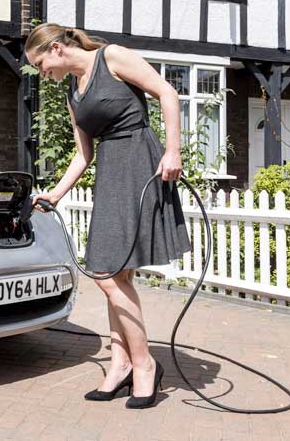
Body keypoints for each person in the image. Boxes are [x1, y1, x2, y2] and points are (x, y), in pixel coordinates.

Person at [25, 23, 191, 409]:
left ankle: (144, 363)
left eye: (41, 64)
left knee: (106, 273)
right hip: (111, 172)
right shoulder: (72, 91)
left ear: (56, 49)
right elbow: (84, 155)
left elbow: (168, 92)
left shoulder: (111, 57)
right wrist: (55, 193)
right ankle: (121, 364)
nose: (43, 74)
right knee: (116, 272)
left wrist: (174, 150)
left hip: (139, 161)